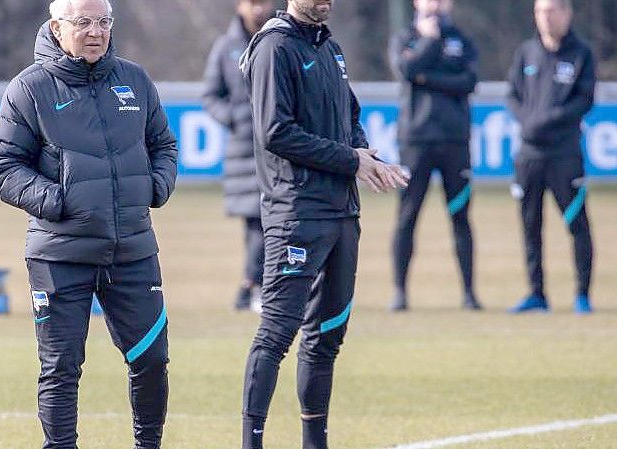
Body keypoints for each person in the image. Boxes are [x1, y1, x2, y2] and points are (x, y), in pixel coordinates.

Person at [0, 0, 178, 447]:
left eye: (103, 21)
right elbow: (1, 165)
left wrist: (155, 188)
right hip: (60, 254)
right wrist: (58, 201)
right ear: (57, 27)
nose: (95, 32)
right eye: (83, 22)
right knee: (61, 367)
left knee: (152, 360)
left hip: (131, 251)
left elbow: (164, 145)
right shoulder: (29, 88)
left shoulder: (135, 80)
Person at [238, 1, 409, 448]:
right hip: (296, 212)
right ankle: (250, 441)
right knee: (276, 332)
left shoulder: (330, 47)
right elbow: (274, 131)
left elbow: (348, 118)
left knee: (327, 335)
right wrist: (349, 159)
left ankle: (315, 441)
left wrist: (364, 155)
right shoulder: (275, 47)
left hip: (342, 212)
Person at [388, 0, 481, 312]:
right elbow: (406, 70)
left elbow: (468, 81)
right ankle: (399, 293)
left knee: (461, 217)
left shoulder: (462, 39)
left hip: (455, 141)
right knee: (407, 215)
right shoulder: (405, 37)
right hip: (416, 141)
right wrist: (428, 41)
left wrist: (428, 79)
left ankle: (469, 294)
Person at [507, 0, 596, 314]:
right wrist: (527, 121)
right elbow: (512, 95)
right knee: (530, 226)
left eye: (551, 10)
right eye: (539, 11)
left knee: (576, 223)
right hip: (529, 156)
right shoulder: (526, 52)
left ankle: (582, 294)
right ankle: (537, 294)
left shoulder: (580, 53)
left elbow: (584, 100)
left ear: (566, 13)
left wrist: (546, 120)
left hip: (564, 155)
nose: (545, 17)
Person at [203, 0, 274, 312]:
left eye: (263, 2)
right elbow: (210, 95)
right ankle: (253, 287)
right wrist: (234, 117)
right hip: (242, 150)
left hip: (276, 147)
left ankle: (252, 286)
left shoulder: (279, 39)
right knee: (254, 223)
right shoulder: (225, 46)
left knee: (267, 221)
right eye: (252, 3)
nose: (258, 9)